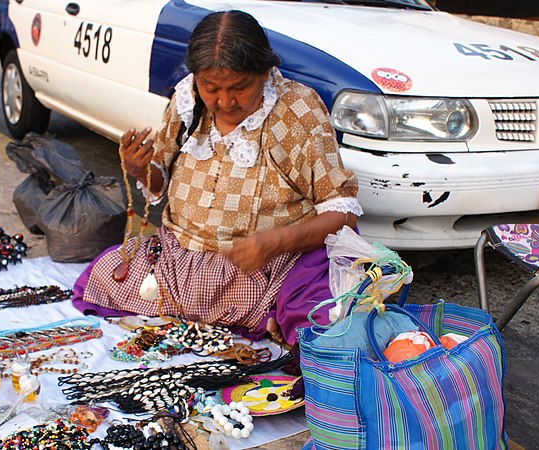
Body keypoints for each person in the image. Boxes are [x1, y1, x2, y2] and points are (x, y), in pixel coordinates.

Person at [72, 10, 362, 347]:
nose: (224, 102)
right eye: (211, 88)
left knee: (315, 315)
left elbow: (343, 213)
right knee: (102, 273)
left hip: (267, 269)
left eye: (240, 87)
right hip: (178, 261)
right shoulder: (187, 99)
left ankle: (265, 315)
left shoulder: (297, 109)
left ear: (265, 73)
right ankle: (232, 315)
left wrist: (273, 243)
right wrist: (141, 169)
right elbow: (160, 181)